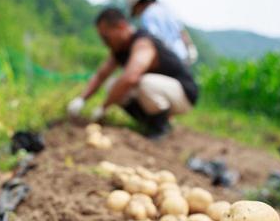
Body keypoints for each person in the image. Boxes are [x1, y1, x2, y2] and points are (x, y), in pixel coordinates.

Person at [67, 8, 198, 138]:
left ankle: (161, 127)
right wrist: (81, 99)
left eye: (106, 37)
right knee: (112, 85)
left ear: (121, 26)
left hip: (183, 94)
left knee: (144, 82)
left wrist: (103, 107)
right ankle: (148, 123)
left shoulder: (143, 43)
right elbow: (101, 75)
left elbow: (130, 78)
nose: (104, 43)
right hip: (162, 92)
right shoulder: (120, 51)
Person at [127, 0, 198, 65]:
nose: (138, 14)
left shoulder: (147, 16)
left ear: (138, 5)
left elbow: (155, 39)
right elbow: (181, 31)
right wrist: (190, 46)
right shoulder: (166, 9)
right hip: (182, 55)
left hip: (168, 58)